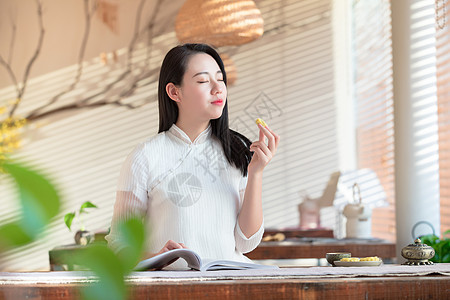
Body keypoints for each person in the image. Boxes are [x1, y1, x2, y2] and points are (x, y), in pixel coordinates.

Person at [105, 43, 280, 269]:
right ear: (174, 92)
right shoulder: (145, 156)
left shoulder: (238, 150)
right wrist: (155, 256)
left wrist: (256, 173)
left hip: (229, 285)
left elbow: (246, 242)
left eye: (220, 79)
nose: (218, 88)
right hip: (170, 289)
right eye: (203, 81)